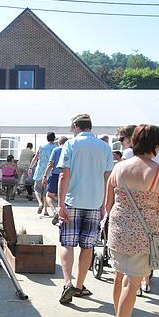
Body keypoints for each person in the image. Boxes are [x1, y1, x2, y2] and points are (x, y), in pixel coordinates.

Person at [105, 125, 159, 317]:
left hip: (116, 231)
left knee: (119, 277)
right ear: (156, 146)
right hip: (142, 236)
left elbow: (108, 205)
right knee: (132, 283)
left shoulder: (119, 168)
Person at [56, 114, 114, 305]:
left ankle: (67, 283)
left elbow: (64, 175)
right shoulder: (105, 147)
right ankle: (79, 286)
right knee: (87, 246)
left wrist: (60, 204)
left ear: (75, 126)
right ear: (90, 126)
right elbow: (108, 179)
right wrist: (105, 204)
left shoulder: (71, 145)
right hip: (95, 202)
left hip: (73, 200)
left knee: (67, 243)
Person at [28, 132, 58, 216]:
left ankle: (40, 203)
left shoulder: (42, 146)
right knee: (46, 192)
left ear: (47, 138)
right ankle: (45, 210)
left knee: (37, 188)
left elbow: (36, 158)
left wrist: (30, 167)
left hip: (40, 170)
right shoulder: (56, 148)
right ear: (54, 138)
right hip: (50, 171)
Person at [42, 137, 69, 224]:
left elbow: (50, 164)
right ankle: (62, 211)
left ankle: (54, 211)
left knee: (49, 196)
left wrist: (45, 176)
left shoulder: (56, 150)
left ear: (59, 143)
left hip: (55, 175)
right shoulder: (70, 149)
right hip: (67, 175)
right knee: (64, 196)